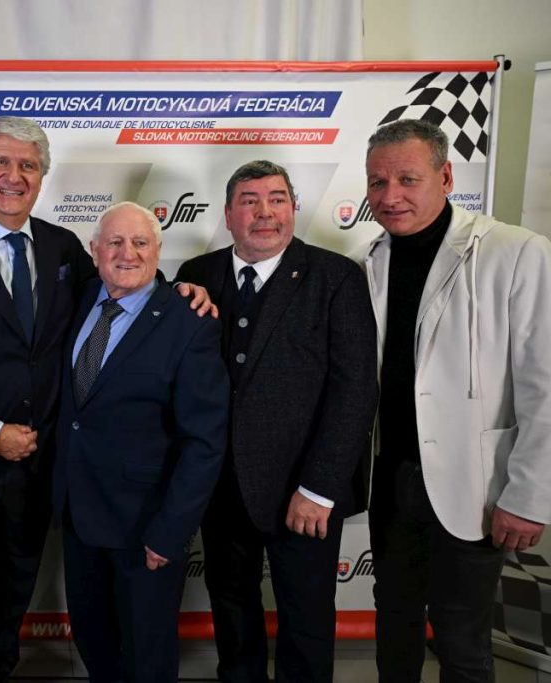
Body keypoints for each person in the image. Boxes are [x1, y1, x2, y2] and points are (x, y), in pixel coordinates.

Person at [0, 116, 212, 683]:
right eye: (1, 162)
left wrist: (180, 291)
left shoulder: (62, 247)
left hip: (38, 465)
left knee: (12, 590)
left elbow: (124, 288)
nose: (14, 176)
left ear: (42, 177)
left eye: (28, 165)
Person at [356, 118, 551, 682]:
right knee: (394, 625)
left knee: (462, 639)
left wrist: (530, 495)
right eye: (377, 182)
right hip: (391, 479)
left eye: (407, 179)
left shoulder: (516, 251)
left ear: (445, 178)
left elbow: (544, 384)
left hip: (474, 484)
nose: (390, 196)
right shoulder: (368, 258)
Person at [176, 160, 377, 682]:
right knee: (232, 615)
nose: (264, 212)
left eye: (277, 199)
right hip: (220, 488)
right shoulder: (196, 275)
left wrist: (320, 488)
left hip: (303, 494)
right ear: (228, 214)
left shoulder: (336, 277)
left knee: (306, 621)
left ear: (293, 208)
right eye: (249, 201)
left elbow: (355, 391)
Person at [52, 202, 229, 682]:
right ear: (94, 251)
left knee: (147, 660)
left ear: (158, 250)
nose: (126, 253)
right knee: (95, 647)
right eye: (114, 242)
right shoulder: (79, 298)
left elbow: (204, 441)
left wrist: (171, 531)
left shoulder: (190, 321)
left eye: (140, 243)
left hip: (146, 529)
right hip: (80, 518)